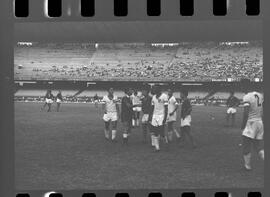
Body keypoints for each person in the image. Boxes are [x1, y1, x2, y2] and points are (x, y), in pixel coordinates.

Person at [241, 82, 264, 171]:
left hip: (251, 123)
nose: (242, 88)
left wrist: (243, 125)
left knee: (246, 145)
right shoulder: (260, 95)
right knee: (258, 146)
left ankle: (247, 166)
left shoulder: (247, 96)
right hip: (259, 122)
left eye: (242, 86)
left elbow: (246, 113)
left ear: (246, 86)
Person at [149, 85, 168, 152]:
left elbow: (166, 108)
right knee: (155, 132)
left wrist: (165, 118)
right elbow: (152, 107)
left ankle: (165, 142)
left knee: (161, 132)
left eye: (155, 88)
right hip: (155, 116)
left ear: (159, 89)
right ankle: (157, 147)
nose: (153, 90)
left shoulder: (164, 96)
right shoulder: (153, 97)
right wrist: (150, 117)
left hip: (161, 115)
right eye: (153, 89)